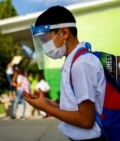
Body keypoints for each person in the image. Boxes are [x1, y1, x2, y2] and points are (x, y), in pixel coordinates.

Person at [23, 6, 106, 141]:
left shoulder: (81, 64)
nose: (44, 46)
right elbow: (75, 108)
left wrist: (45, 108)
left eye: (45, 40)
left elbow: (85, 120)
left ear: (64, 33)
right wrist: (48, 104)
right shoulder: (73, 61)